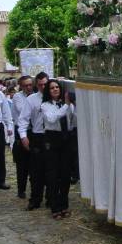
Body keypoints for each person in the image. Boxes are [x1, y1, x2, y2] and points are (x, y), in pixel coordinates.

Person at [40, 80, 76, 220]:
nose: (55, 90)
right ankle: (55, 207)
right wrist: (66, 105)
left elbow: (73, 119)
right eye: (52, 88)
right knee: (53, 174)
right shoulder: (45, 105)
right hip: (52, 139)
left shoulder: (66, 105)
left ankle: (64, 204)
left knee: (65, 174)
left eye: (57, 87)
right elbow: (52, 118)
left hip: (65, 138)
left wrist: (71, 105)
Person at [18, 72, 50, 210]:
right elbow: (23, 119)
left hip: (52, 135)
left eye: (45, 84)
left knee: (52, 170)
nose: (43, 86)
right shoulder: (31, 99)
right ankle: (35, 199)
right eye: (41, 84)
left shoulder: (55, 96)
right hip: (37, 136)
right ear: (37, 85)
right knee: (36, 171)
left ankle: (51, 198)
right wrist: (23, 136)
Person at [11, 76, 33, 199]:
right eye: (26, 85)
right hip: (21, 130)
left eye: (30, 85)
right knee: (22, 163)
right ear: (21, 86)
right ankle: (21, 189)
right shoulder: (18, 97)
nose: (29, 87)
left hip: (33, 131)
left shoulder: (35, 95)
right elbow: (23, 111)